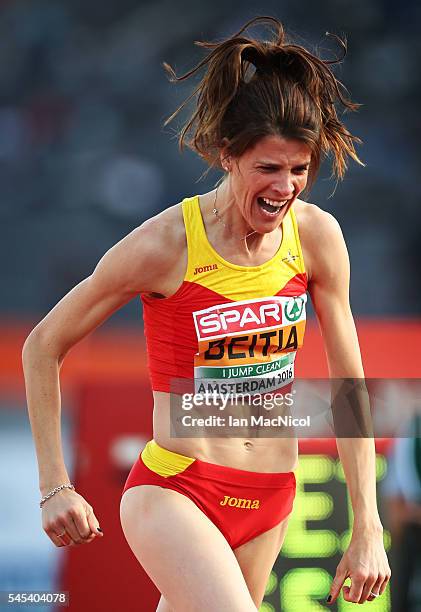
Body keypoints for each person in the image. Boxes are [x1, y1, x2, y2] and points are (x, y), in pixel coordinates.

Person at [22, 16, 391, 611]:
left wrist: (367, 526)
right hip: (177, 490)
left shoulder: (317, 237)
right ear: (227, 154)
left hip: (271, 495)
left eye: (299, 170)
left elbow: (350, 387)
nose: (285, 187)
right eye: (267, 169)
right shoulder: (165, 244)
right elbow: (42, 345)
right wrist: (53, 486)